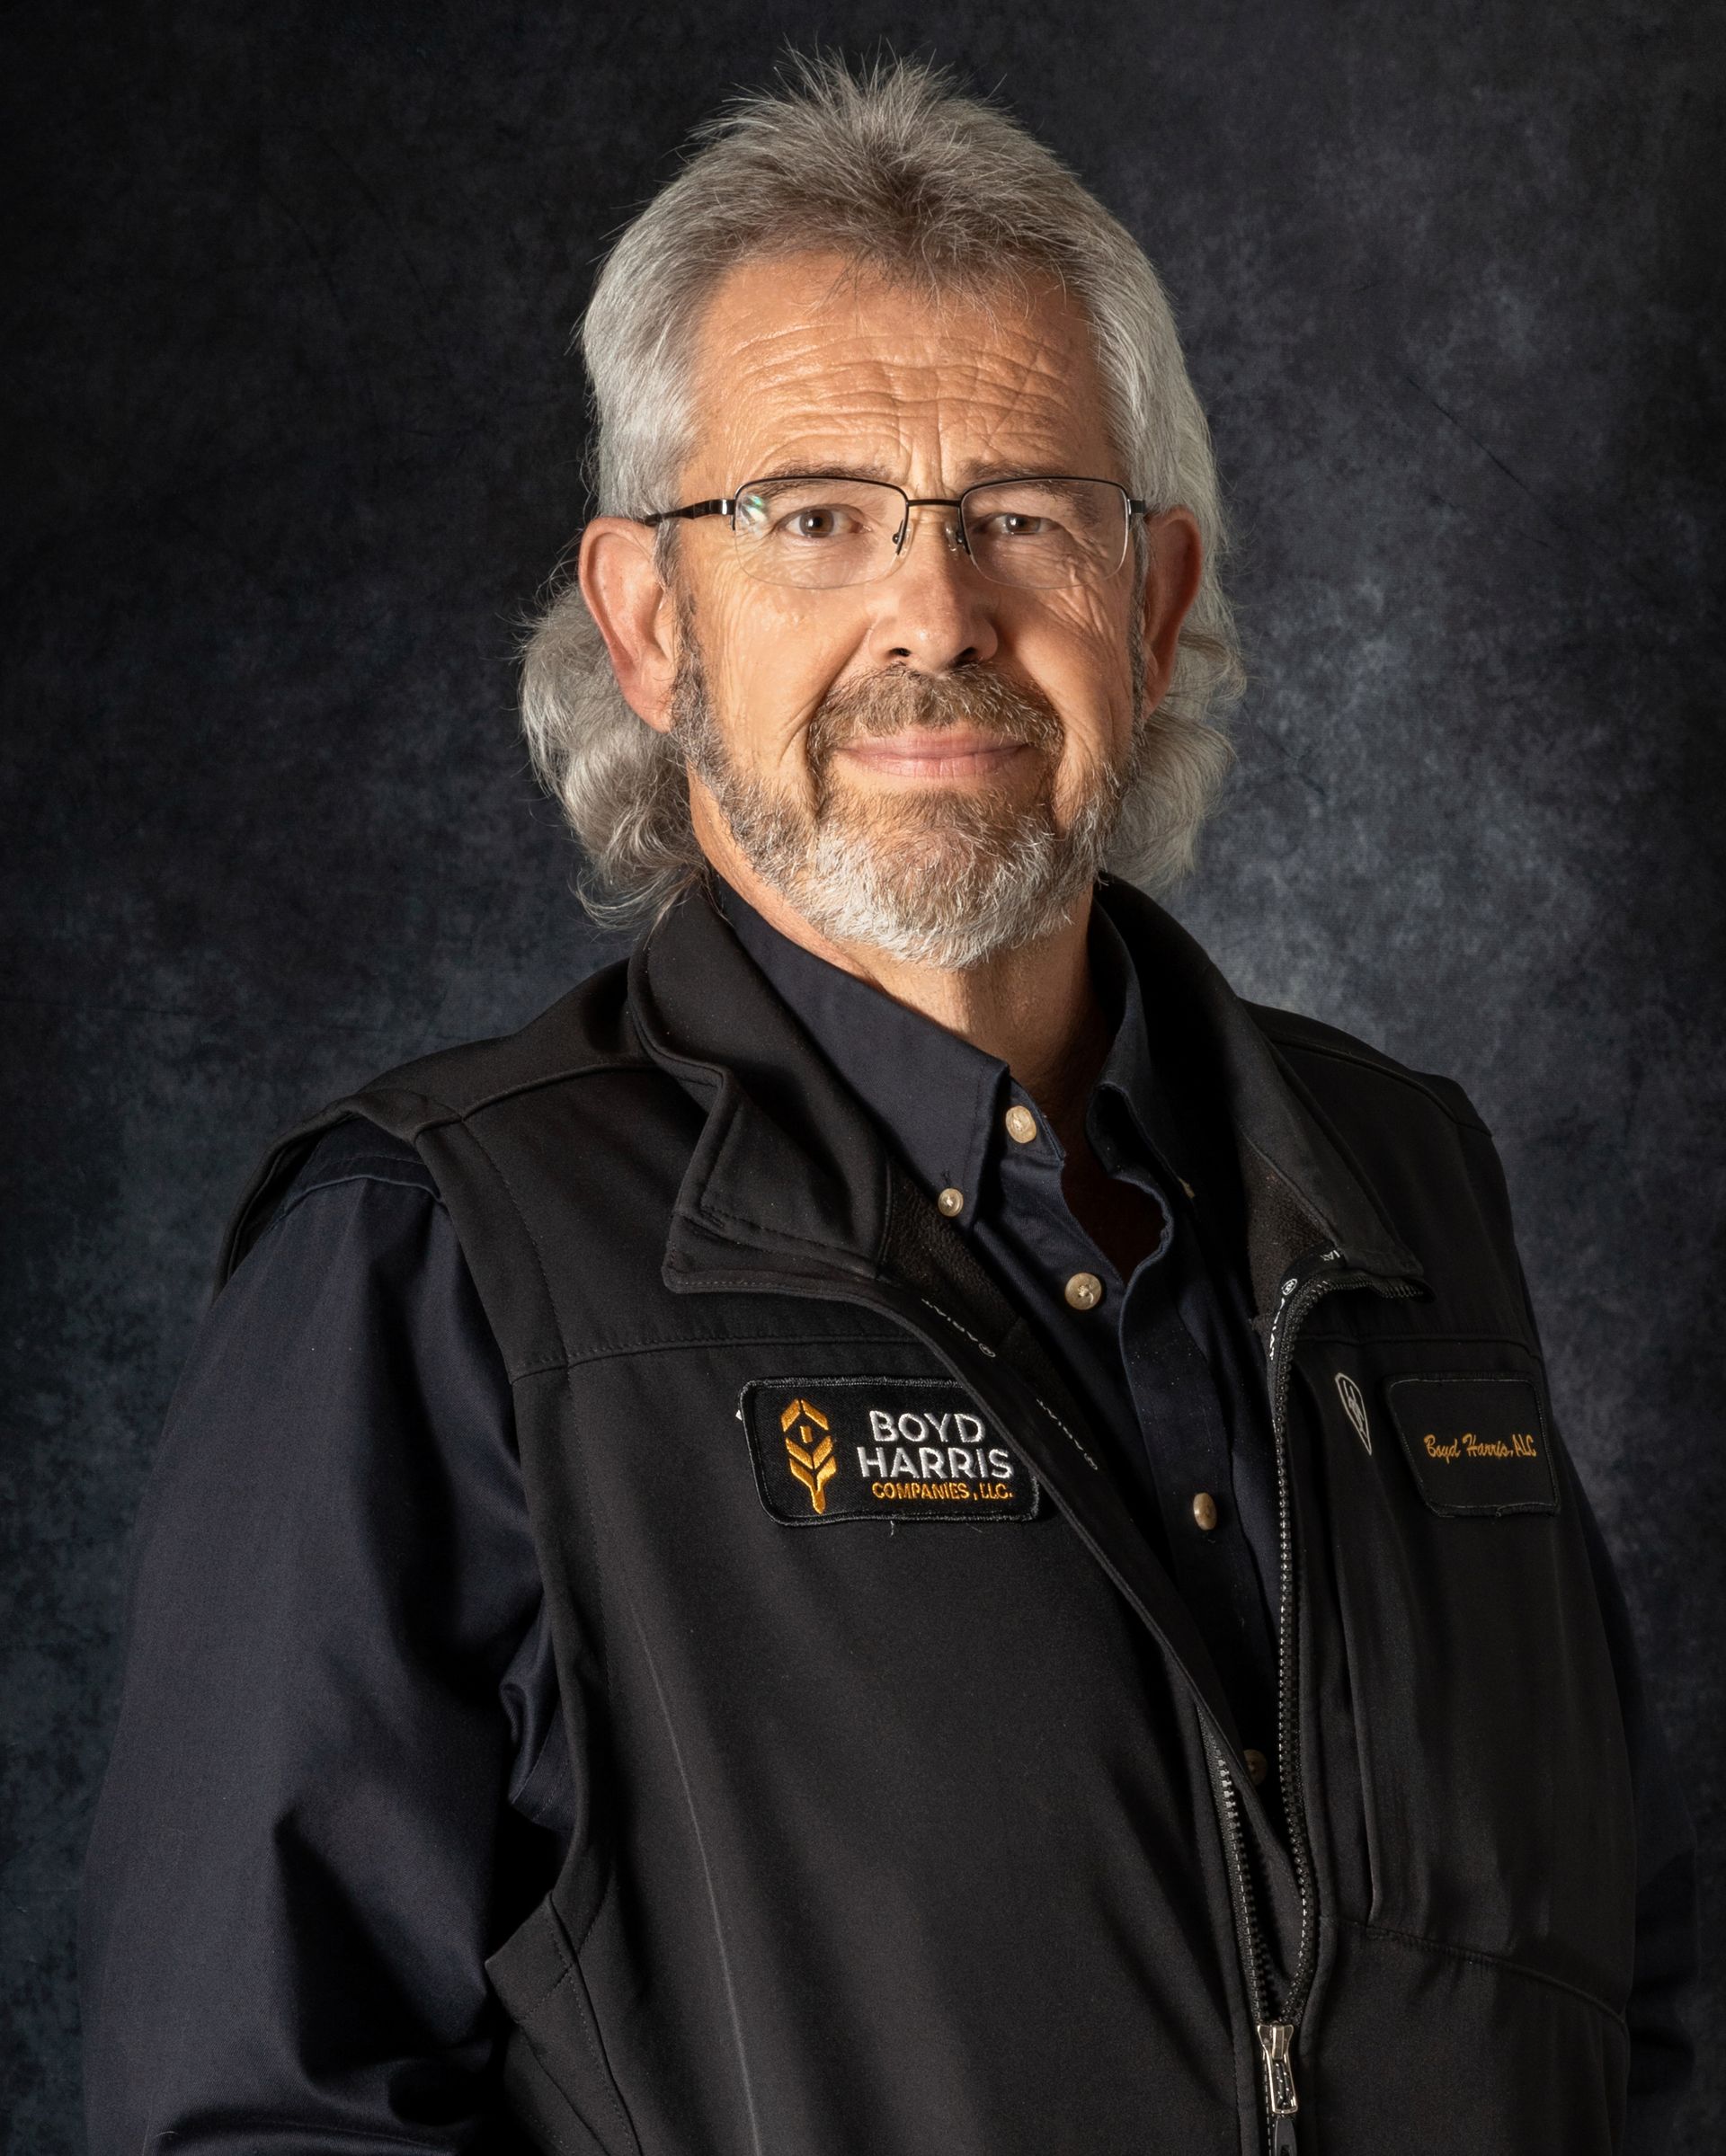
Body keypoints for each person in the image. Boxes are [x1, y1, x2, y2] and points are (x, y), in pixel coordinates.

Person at [81, 55, 1695, 2156]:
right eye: (816, 518)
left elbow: (1636, 1982)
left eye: (1023, 513)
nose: (935, 612)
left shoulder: (1404, 1185)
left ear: (1154, 602)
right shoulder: (435, 1262)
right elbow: (261, 2115)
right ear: (650, 625)